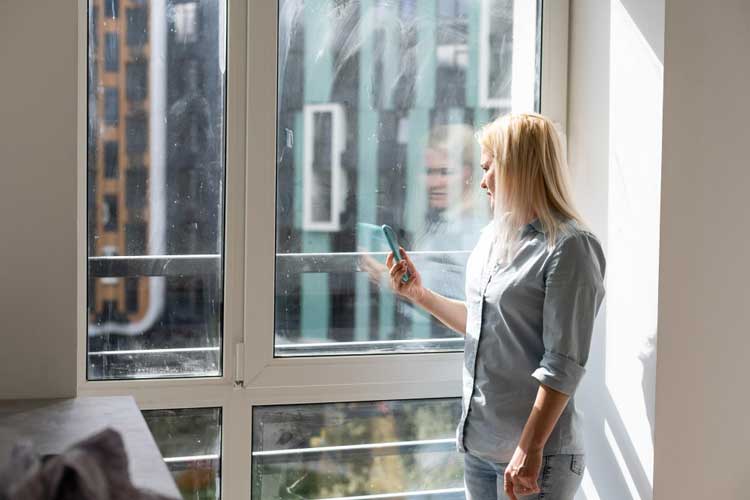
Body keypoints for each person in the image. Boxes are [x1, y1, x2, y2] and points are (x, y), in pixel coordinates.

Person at [386, 113, 606, 500]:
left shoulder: (570, 247)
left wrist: (529, 449)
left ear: (520, 169)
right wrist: (421, 295)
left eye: (490, 168)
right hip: (481, 447)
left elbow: (563, 365)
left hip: (536, 457)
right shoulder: (492, 237)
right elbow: (482, 325)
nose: (482, 180)